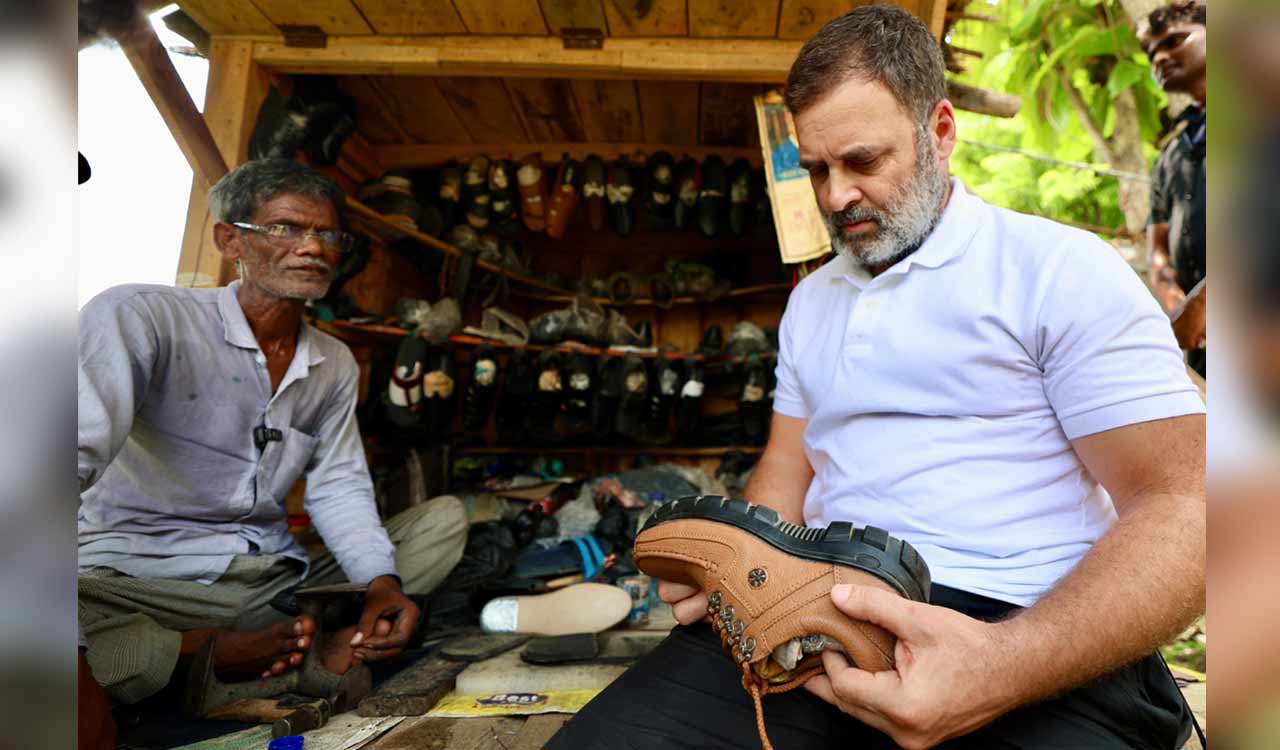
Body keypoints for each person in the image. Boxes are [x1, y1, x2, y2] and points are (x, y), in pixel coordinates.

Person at [548, 6, 1204, 749]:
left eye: (862, 161)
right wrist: (741, 577)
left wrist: (1000, 665)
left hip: (1033, 632)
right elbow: (784, 472)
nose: (834, 196)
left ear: (942, 132)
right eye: (817, 167)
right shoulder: (810, 306)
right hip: (817, 617)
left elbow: (1191, 504)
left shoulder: (1056, 271)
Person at [77, 160, 468, 748]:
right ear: (229, 239)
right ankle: (202, 653)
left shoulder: (331, 361)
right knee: (49, 613)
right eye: (286, 228)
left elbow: (338, 485)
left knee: (443, 523)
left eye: (327, 234)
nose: (312, 246)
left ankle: (258, 649)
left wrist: (383, 584)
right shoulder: (143, 317)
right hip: (143, 578)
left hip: (271, 581)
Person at [1141, 0, 1207, 377]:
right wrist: (1177, 305)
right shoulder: (1170, 154)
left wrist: (1204, 304)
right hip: (1205, 351)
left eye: (1174, 41)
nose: (1159, 57)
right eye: (1152, 52)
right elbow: (1158, 250)